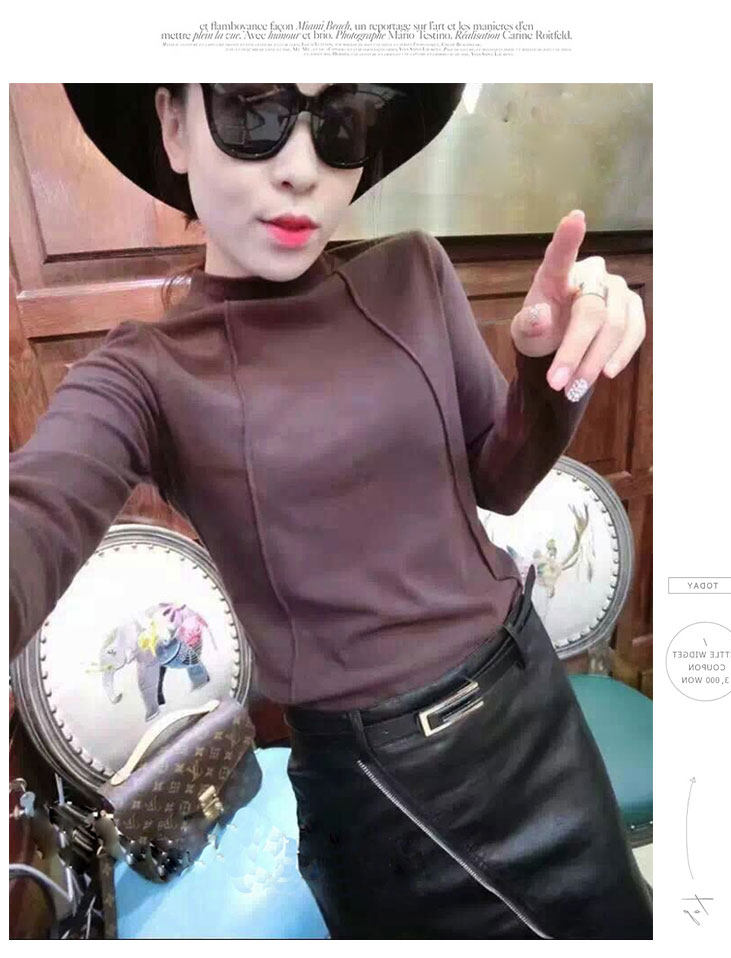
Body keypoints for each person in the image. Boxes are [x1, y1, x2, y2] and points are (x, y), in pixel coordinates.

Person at [9, 83, 651, 939]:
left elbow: (496, 482)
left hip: (531, 710)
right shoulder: (145, 377)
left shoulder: (413, 274)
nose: (300, 168)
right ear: (174, 123)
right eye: (254, 113)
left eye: (338, 122)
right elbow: (33, 515)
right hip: (387, 798)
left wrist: (550, 370)